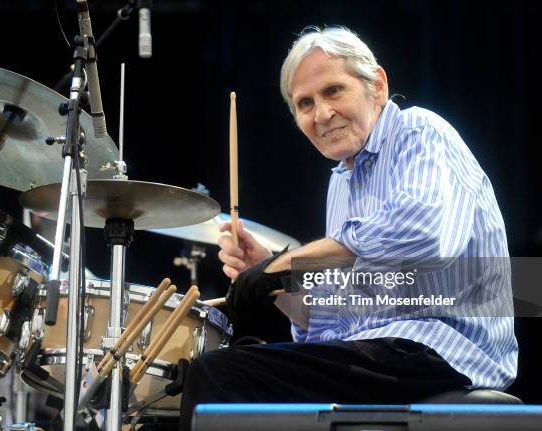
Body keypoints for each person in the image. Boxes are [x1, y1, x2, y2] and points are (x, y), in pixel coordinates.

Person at [178, 26, 518, 431]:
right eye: (305, 103)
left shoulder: (419, 130)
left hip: (440, 348)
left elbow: (418, 234)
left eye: (333, 91)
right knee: (224, 370)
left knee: (220, 375)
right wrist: (272, 277)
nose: (321, 113)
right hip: (379, 353)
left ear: (377, 84)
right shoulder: (341, 180)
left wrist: (283, 265)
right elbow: (332, 311)